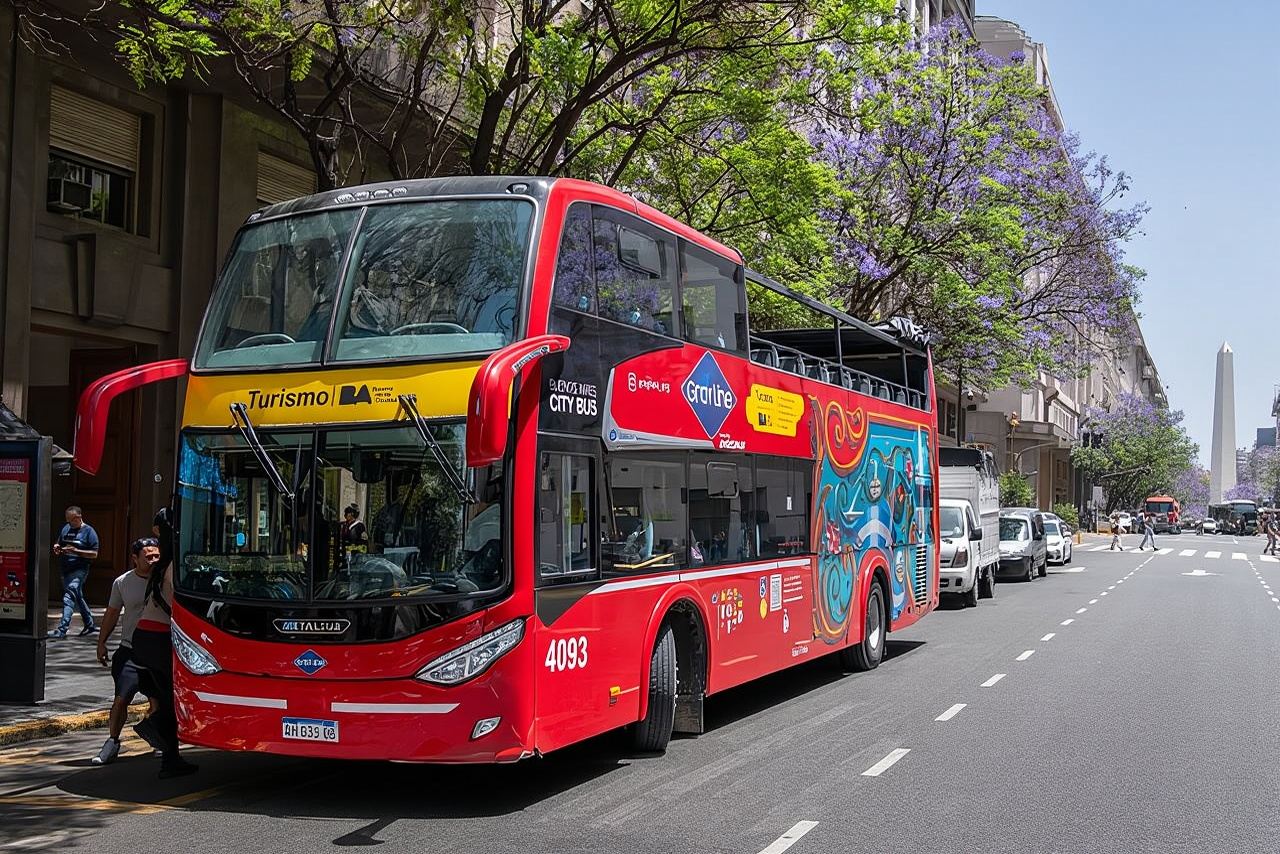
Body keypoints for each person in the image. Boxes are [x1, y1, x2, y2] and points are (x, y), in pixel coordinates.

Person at [130, 508, 198, 779]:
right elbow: (176, 607)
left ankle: (170, 755)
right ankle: (166, 750)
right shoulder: (173, 566)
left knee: (167, 697)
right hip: (158, 638)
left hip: (145, 638)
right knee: (171, 699)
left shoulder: (161, 565)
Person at [91, 537, 164, 765]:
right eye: (148, 556)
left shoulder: (166, 580)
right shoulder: (122, 582)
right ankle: (112, 742)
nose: (153, 560)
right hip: (130, 651)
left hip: (157, 650)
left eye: (156, 556)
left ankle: (159, 739)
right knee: (121, 698)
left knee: (157, 701)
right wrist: (101, 642)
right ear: (135, 558)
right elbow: (112, 613)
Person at [49, 505, 99, 638]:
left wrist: (76, 551)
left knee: (69, 596)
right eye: (67, 520)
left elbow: (94, 554)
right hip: (65, 569)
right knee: (77, 596)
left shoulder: (89, 532)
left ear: (78, 518)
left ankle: (62, 629)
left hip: (79, 569)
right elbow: (59, 542)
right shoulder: (66, 528)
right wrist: (57, 547)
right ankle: (89, 625)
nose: (69, 523)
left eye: (71, 520)